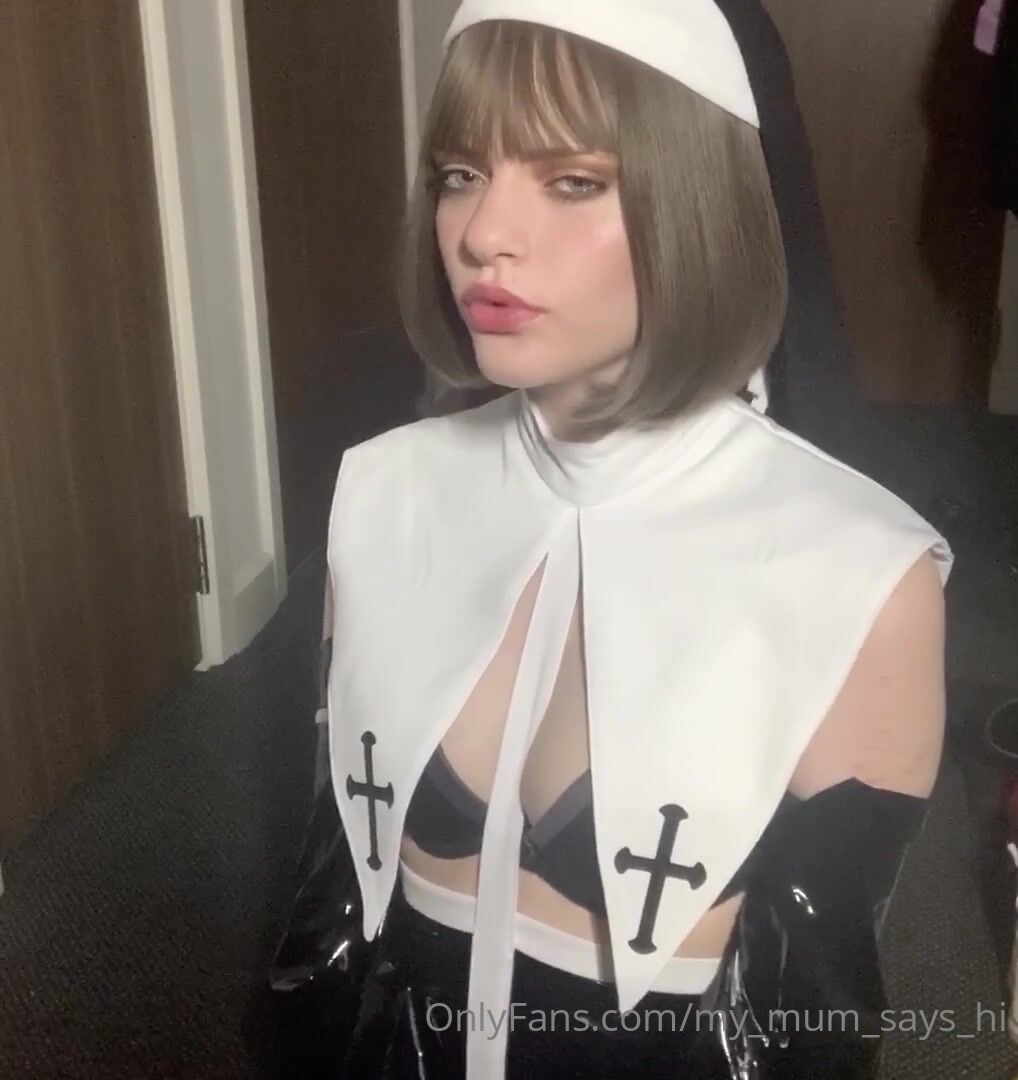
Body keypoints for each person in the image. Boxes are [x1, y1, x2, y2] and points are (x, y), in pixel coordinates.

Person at [275, 3, 954, 1076]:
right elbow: (330, 915)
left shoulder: (856, 573)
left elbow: (801, 1031)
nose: (482, 234)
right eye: (460, 173)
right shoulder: (384, 494)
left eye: (572, 180)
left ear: (698, 204)